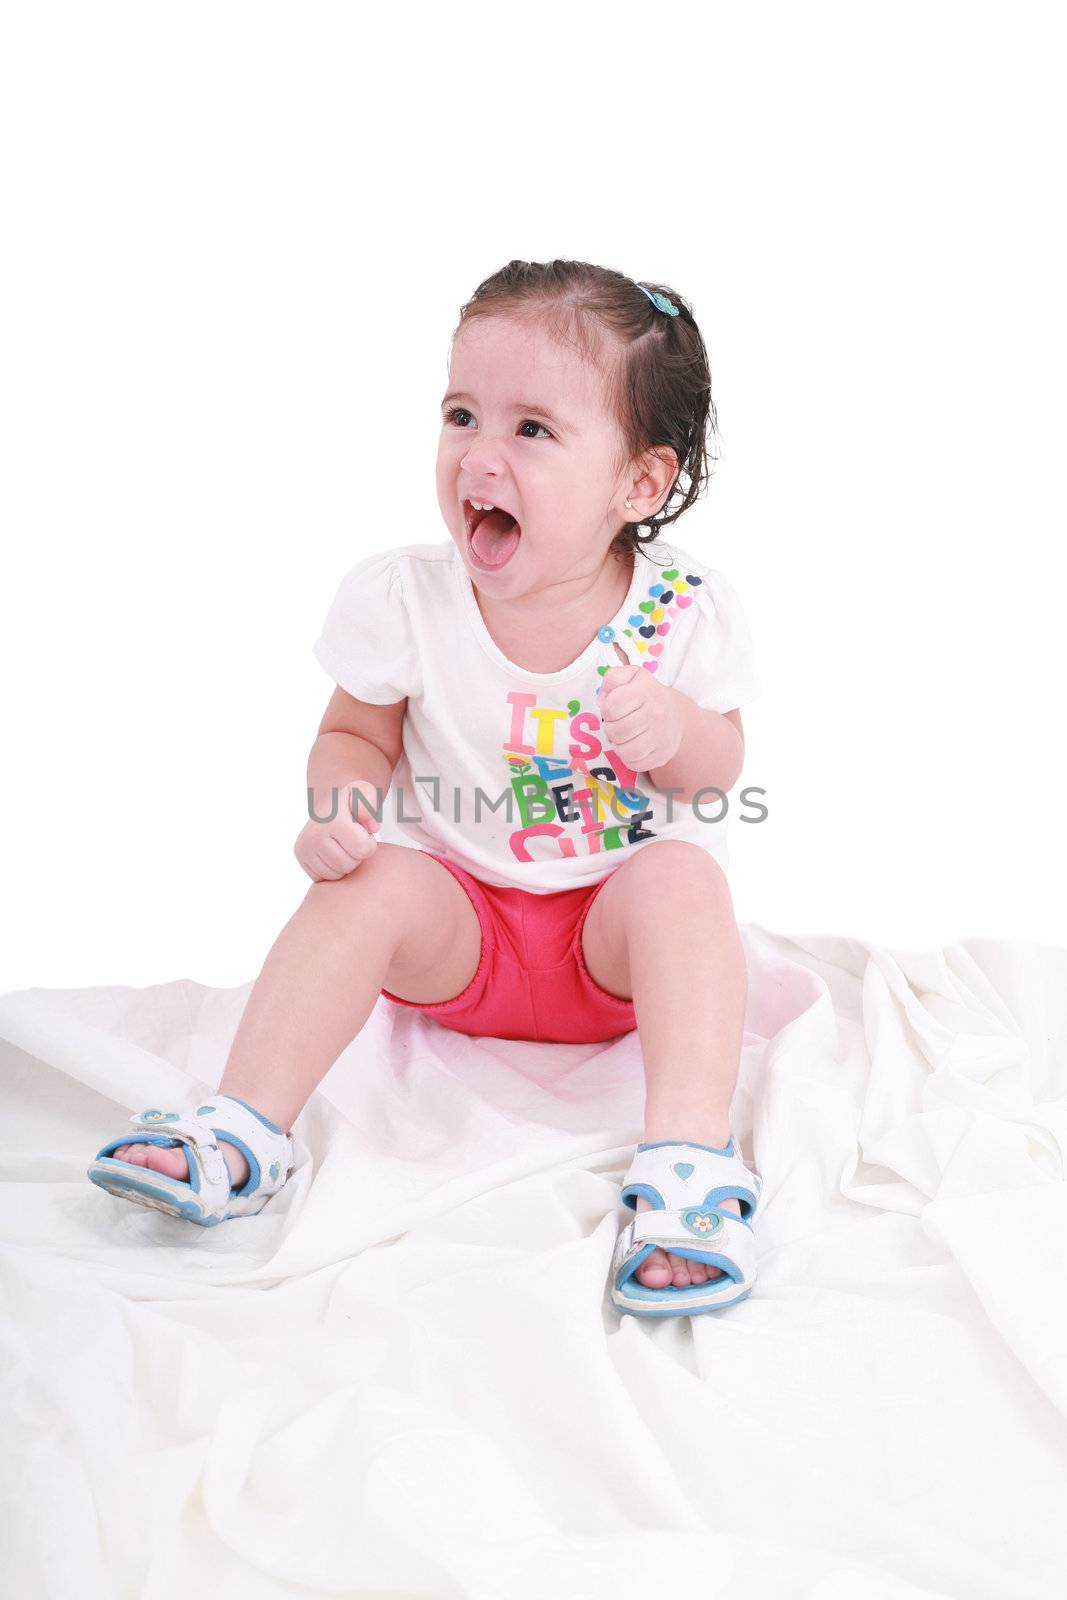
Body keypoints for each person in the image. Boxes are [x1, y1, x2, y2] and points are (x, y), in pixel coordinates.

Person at [88, 259, 765, 1317]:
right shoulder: (406, 596)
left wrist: (675, 730)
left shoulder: (681, 609)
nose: (479, 456)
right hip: (462, 934)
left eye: (531, 429)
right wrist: (342, 803)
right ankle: (241, 1127)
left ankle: (686, 1167)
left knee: (682, 877)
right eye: (461, 414)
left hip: (608, 944)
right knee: (366, 891)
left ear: (637, 483)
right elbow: (354, 731)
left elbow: (721, 766)